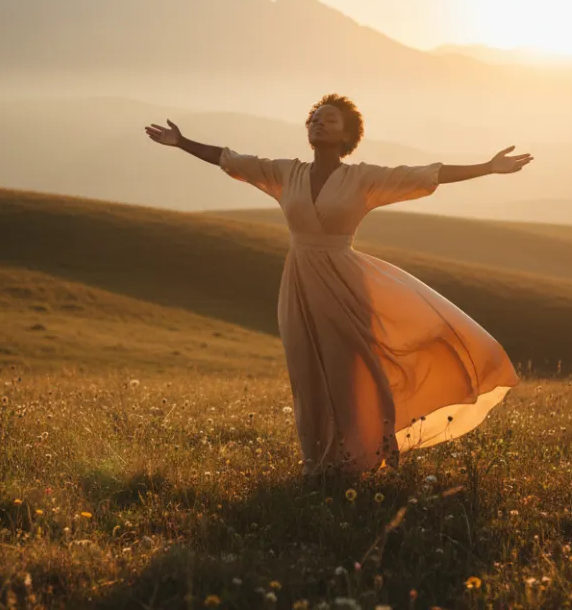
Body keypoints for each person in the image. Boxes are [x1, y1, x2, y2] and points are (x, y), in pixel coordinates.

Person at [146, 94, 531, 475]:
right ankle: (319, 464)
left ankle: (364, 456)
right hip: (298, 283)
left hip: (346, 283)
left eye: (330, 120)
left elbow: (426, 173)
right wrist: (182, 143)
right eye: (315, 118)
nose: (319, 123)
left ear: (347, 134)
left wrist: (487, 167)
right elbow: (230, 160)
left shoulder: (363, 178)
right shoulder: (285, 173)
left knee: (353, 374)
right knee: (307, 375)